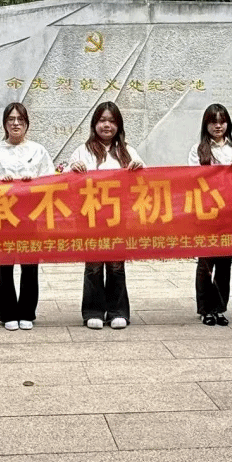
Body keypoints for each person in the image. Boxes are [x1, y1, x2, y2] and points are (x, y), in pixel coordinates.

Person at [0, 102, 55, 331]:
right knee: (4, 266)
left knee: (30, 266)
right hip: (3, 215)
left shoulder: (38, 150)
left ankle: (27, 312)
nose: (15, 123)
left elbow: (50, 180)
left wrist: (34, 183)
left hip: (30, 216)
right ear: (4, 124)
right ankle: (8, 312)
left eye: (20, 119)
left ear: (26, 124)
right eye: (11, 119)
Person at [68, 101, 144, 330]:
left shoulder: (127, 151)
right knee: (93, 265)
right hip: (91, 218)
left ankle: (118, 311)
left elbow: (144, 180)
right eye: (102, 120)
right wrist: (74, 169)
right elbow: (67, 181)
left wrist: (139, 167)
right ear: (94, 124)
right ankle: (93, 311)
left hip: (119, 218)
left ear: (118, 125)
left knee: (116, 264)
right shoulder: (83, 150)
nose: (107, 125)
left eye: (112, 121)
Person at [188, 103, 232, 326]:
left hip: (230, 214)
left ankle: (219, 308)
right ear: (206, 125)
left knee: (224, 263)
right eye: (213, 122)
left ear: (228, 124)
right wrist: (223, 171)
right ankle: (205, 309)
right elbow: (194, 178)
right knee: (205, 263)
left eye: (222, 121)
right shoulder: (198, 149)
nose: (218, 126)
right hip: (206, 214)